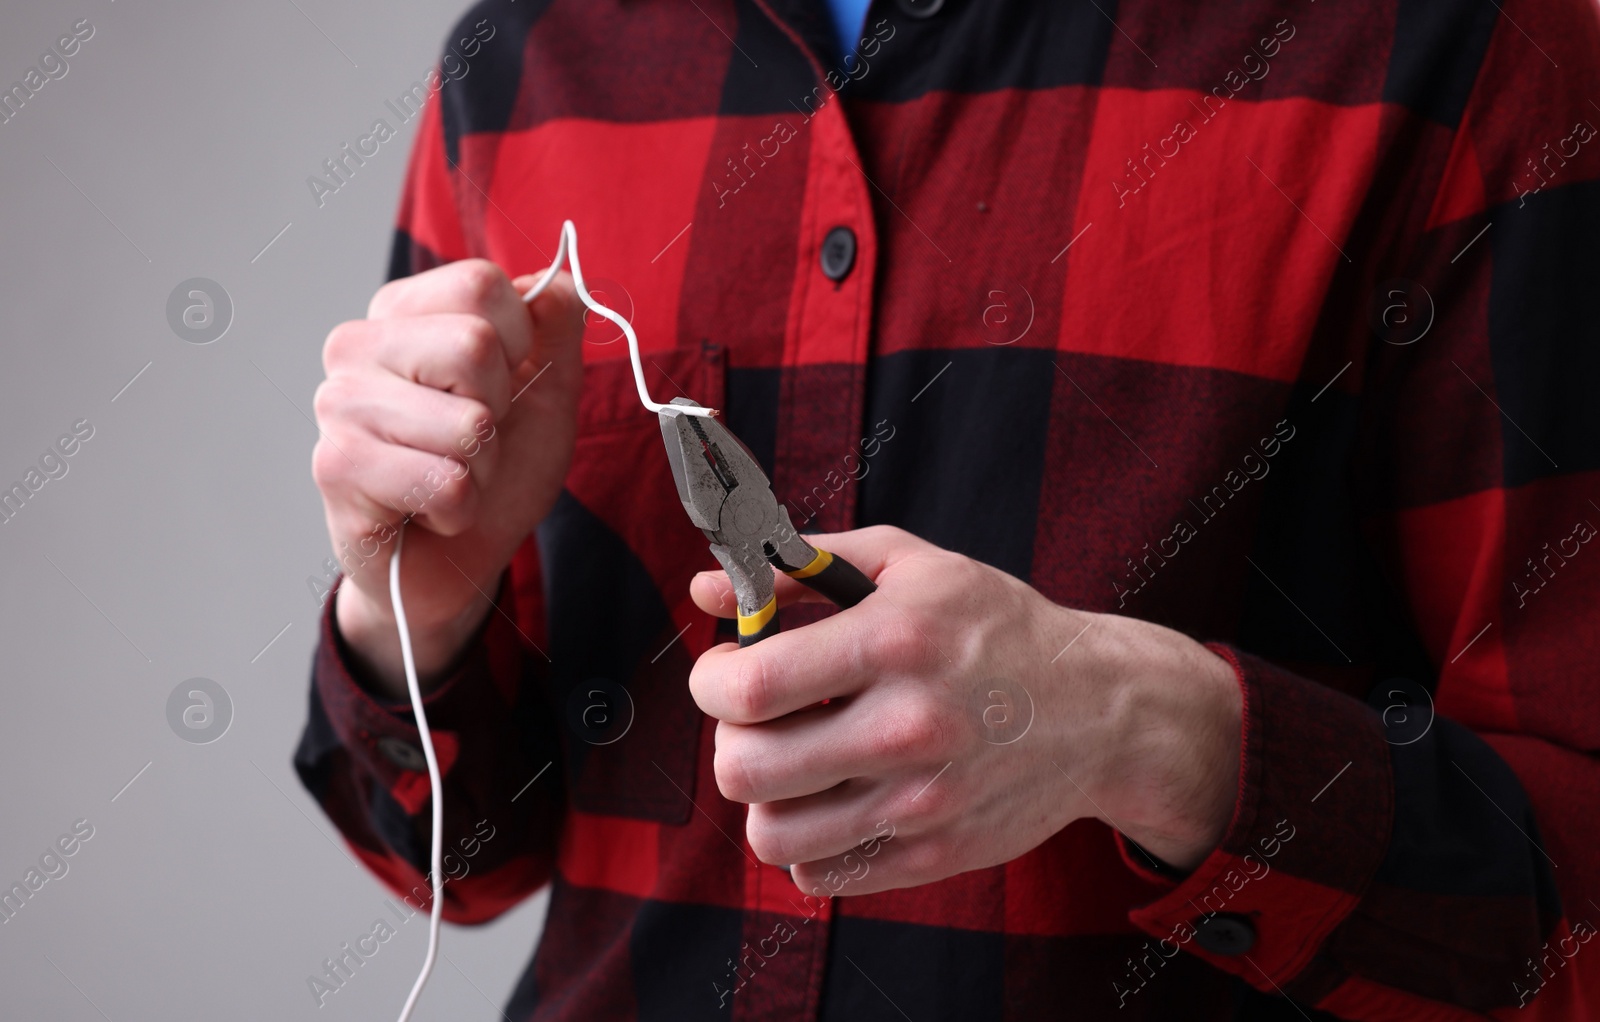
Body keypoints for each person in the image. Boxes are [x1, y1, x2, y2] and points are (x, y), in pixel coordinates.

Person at [296, 0, 1600, 1017]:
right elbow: (455, 859)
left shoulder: (1457, 44)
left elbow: (1573, 909)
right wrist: (417, 608)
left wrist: (1151, 727)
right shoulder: (527, 56)